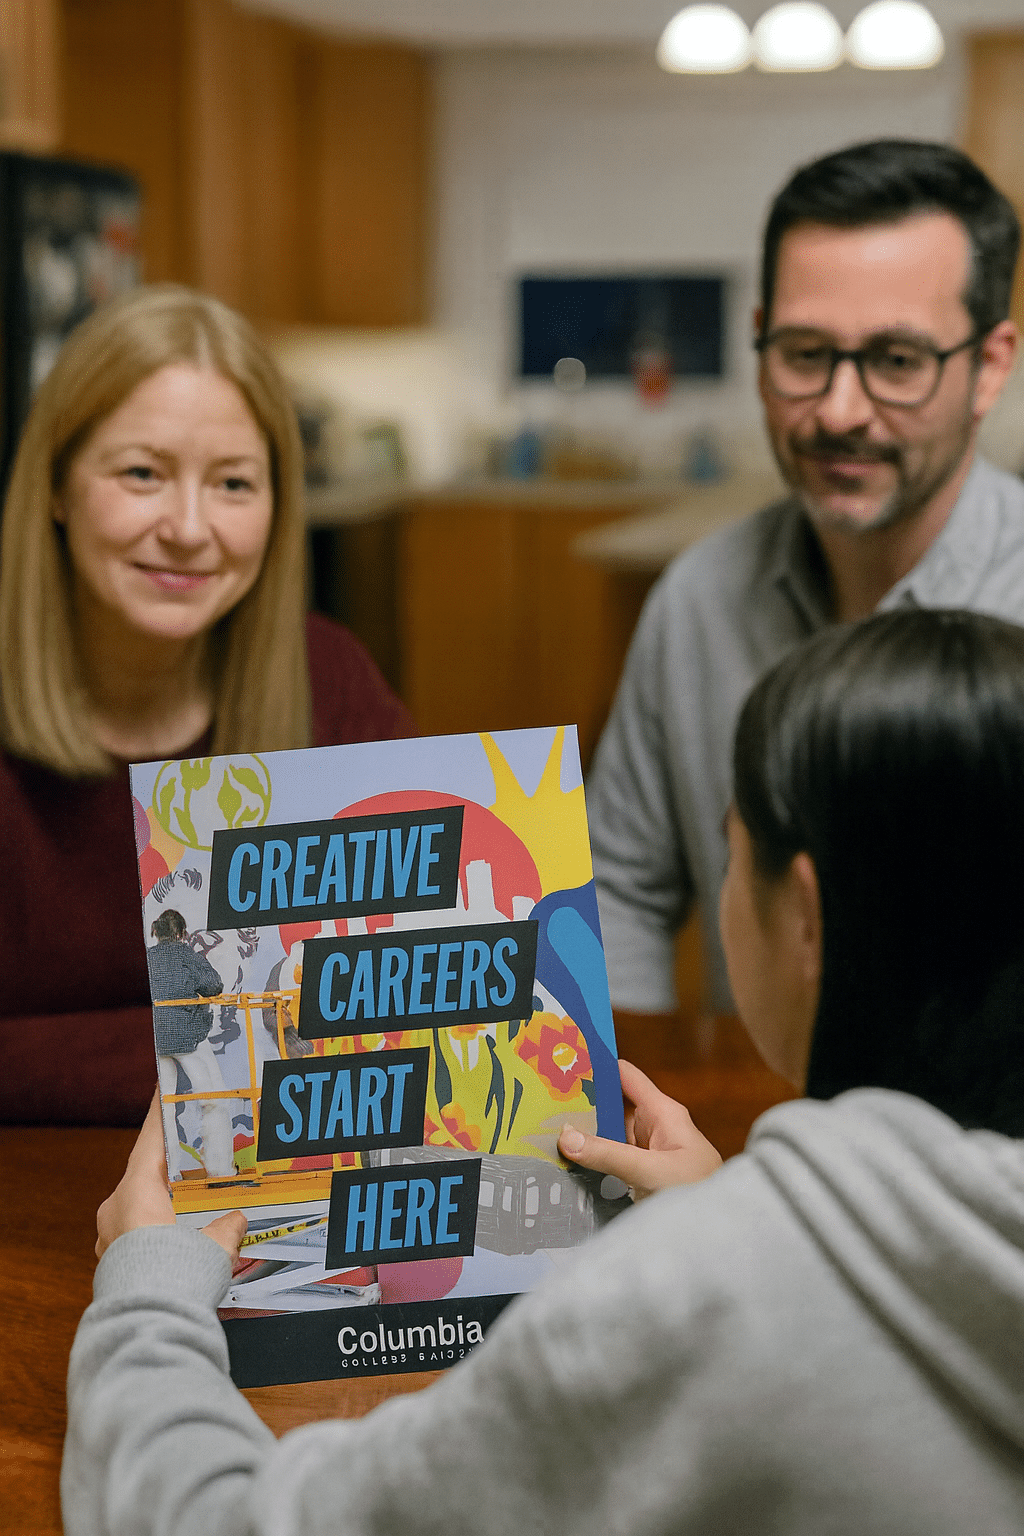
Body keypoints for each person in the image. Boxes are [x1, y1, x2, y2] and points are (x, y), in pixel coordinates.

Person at [63, 608, 1024, 1534]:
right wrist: (728, 1212)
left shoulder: (674, 1310)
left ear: (805, 916)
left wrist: (146, 1290)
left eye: (735, 849)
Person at [588, 137, 1024, 1020]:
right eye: (804, 352)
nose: (839, 410)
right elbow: (622, 890)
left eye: (898, 361)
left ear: (989, 366)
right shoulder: (698, 600)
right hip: (740, 1137)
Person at [0, 285, 414, 1127]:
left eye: (232, 483)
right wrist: (231, 1045)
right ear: (54, 486)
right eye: (142, 473)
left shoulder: (328, 678)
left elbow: (409, 997)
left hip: (270, 1213)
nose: (189, 528)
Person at [148, 909, 235, 1181]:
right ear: (181, 933)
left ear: (157, 933)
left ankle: (171, 1173)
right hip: (187, 1036)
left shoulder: (148, 958)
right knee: (213, 1099)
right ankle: (220, 1169)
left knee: (165, 1107)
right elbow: (214, 985)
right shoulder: (185, 954)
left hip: (156, 1038)